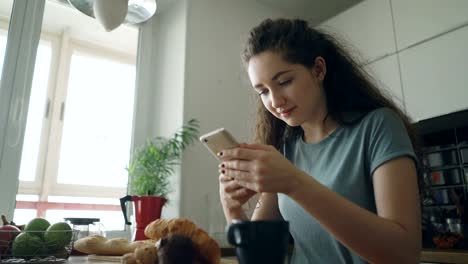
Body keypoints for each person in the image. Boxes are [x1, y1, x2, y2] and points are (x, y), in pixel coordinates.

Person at [217, 18, 422, 264]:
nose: (275, 100)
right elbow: (258, 259)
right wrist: (233, 211)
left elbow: (404, 254)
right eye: (263, 91)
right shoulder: (285, 152)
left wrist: (294, 182)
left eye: (284, 82)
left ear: (318, 70)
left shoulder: (378, 126)